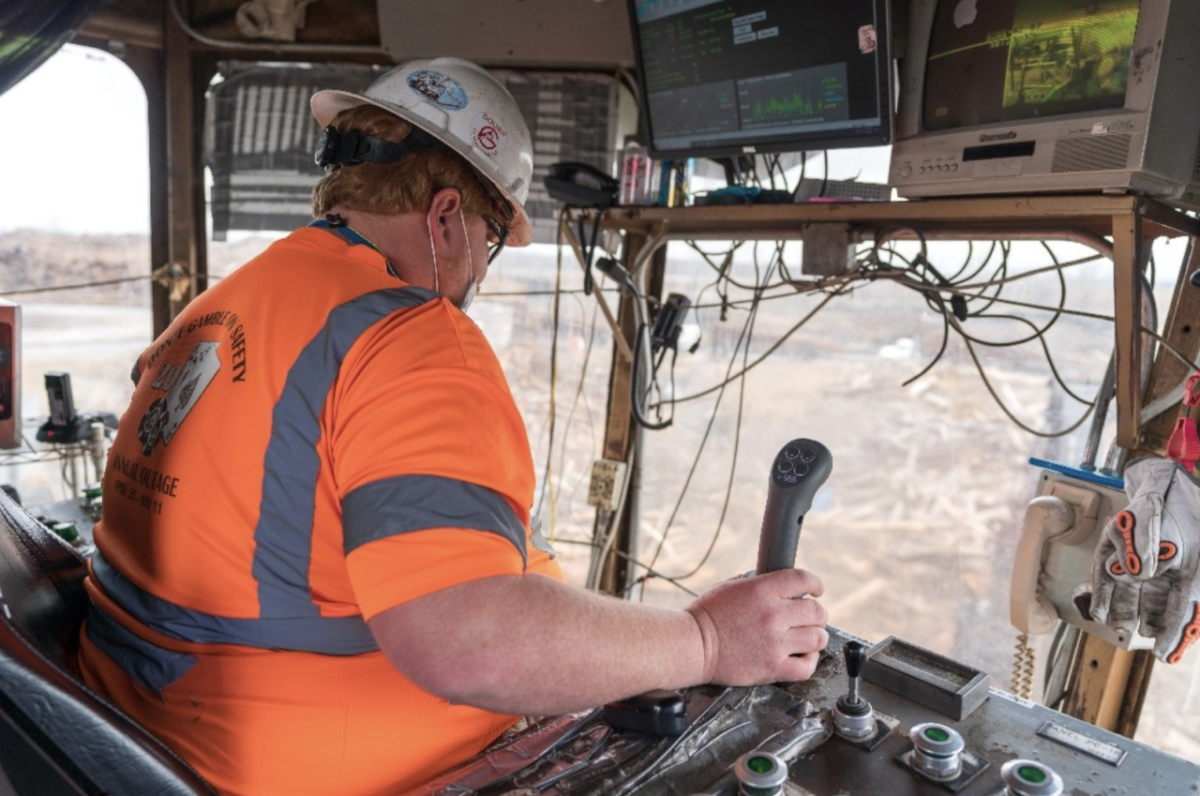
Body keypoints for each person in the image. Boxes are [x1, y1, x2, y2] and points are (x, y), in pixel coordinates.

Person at [76, 57, 829, 796]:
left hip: (136, 740)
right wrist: (707, 640)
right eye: (490, 241)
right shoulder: (409, 336)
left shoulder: (214, 311)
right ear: (445, 217)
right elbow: (468, 644)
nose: (481, 275)